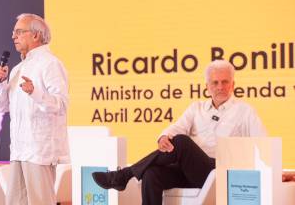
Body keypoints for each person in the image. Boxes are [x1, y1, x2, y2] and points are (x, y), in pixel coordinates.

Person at [92, 60, 267, 205]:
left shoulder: (245, 111)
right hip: (190, 171)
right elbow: (175, 128)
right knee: (151, 173)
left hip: (219, 172)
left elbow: (264, 145)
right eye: (215, 82)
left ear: (233, 84)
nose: (220, 87)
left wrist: (275, 171)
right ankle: (124, 176)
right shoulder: (196, 108)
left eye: (225, 82)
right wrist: (163, 137)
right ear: (207, 86)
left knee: (182, 142)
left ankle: (125, 174)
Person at [0, 13, 69, 205]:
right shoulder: (18, 69)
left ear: (36, 35)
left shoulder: (51, 64)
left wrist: (35, 93)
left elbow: (61, 104)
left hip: (39, 150)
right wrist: (0, 84)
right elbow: (2, 107)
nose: (13, 36)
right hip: (18, 149)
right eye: (13, 32)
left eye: (19, 32)